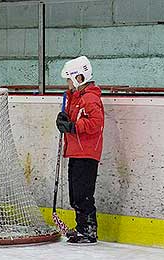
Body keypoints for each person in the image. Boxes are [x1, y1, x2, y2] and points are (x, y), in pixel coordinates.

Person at [56, 56, 104, 245]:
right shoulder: (74, 98)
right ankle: (81, 227)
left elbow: (96, 122)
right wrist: (63, 121)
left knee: (83, 194)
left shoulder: (90, 98)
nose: (67, 84)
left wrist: (74, 126)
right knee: (75, 194)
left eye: (69, 79)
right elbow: (71, 120)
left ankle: (88, 230)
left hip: (86, 154)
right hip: (75, 152)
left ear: (79, 78)